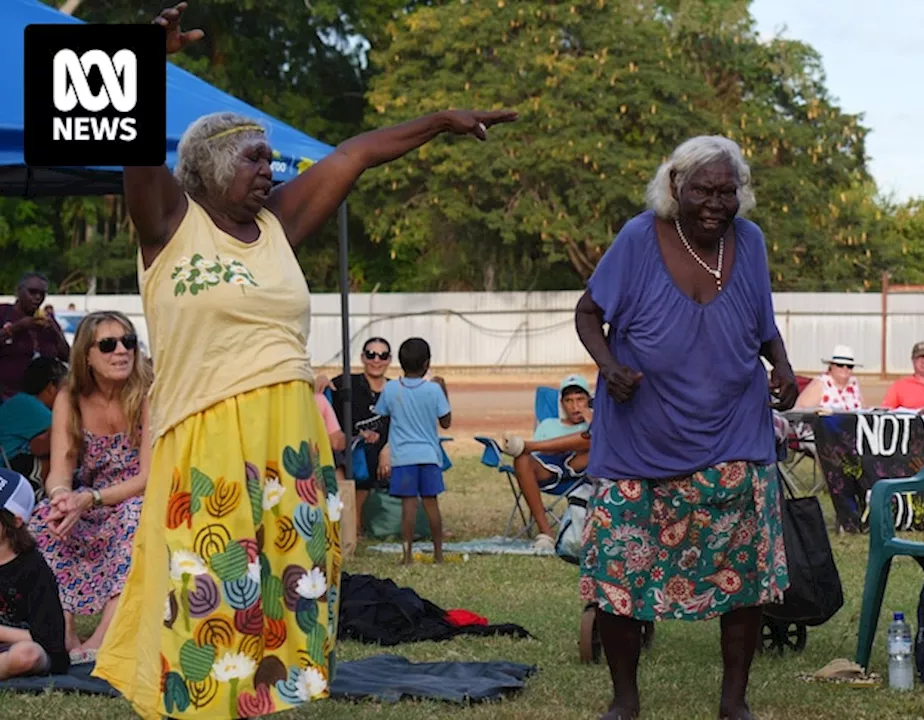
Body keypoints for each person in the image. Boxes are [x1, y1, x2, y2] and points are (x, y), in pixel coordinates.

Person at [91, 4, 516, 716]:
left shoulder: (278, 227)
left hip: (289, 439)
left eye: (268, 157)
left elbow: (353, 155)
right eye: (251, 157)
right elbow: (135, 145)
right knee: (212, 595)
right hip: (208, 439)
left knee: (286, 596)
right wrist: (148, 62)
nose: (268, 167)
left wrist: (438, 121)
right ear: (205, 166)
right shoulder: (169, 224)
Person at [575, 135, 798, 720]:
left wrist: (784, 365)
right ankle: (625, 700)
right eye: (703, 189)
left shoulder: (749, 243)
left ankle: (734, 702)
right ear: (675, 185)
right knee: (622, 577)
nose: (715, 203)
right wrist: (610, 366)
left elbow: (762, 325)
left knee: (743, 580)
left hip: (733, 433)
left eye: (728, 191)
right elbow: (588, 312)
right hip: (638, 439)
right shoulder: (637, 237)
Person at [30, 311, 150, 658]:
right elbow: (60, 468)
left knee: (134, 516)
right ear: (87, 355)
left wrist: (89, 499)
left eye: (128, 342)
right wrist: (61, 498)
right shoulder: (70, 398)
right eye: (108, 344)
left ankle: (101, 638)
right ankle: (64, 632)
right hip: (89, 501)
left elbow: (147, 478)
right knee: (45, 519)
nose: (121, 351)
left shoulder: (147, 395)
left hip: (136, 498)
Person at [374, 338, 452, 564]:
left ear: (399, 362)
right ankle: (438, 554)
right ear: (427, 363)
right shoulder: (433, 389)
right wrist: (443, 389)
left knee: (408, 507)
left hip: (402, 457)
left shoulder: (391, 388)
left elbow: (383, 413)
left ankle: (407, 556)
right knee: (431, 504)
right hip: (428, 455)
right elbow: (445, 422)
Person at [500, 374, 593, 550]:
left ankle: (525, 445)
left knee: (593, 439)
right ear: (562, 404)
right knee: (521, 458)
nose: (575, 406)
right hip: (549, 470)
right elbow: (538, 457)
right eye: (569, 401)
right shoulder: (548, 424)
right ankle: (546, 533)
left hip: (581, 471)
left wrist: (592, 420)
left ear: (589, 400)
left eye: (580, 399)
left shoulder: (596, 422)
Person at [316, 337, 392, 537]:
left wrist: (388, 448)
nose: (376, 360)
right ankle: (354, 523)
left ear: (389, 360)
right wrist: (321, 379)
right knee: (359, 457)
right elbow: (322, 389)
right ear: (362, 358)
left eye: (382, 355)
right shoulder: (348, 383)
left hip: (389, 450)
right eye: (371, 355)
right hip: (355, 451)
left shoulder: (394, 389)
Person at [0, 468, 69, 679]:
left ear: (15, 521)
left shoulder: (33, 568)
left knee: (27, 655)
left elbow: (49, 640)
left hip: (26, 648)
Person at [0, 357, 67, 491]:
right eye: (66, 388)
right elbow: (60, 436)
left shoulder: (21, 401)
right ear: (51, 388)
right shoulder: (28, 405)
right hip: (10, 473)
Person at [0, 273, 70, 400]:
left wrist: (55, 332)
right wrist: (17, 327)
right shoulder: (4, 313)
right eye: (32, 292)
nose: (37, 297)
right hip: (7, 396)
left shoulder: (48, 320)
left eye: (42, 293)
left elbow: (67, 356)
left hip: (44, 400)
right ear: (18, 291)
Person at [794, 344, 862, 411]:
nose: (845, 369)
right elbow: (800, 410)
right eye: (840, 365)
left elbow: (863, 409)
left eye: (849, 366)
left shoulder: (854, 384)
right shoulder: (821, 384)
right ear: (831, 366)